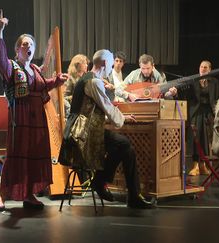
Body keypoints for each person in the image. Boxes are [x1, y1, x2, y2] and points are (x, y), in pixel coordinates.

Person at [0, 10, 69, 210]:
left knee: (34, 155)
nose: (29, 47)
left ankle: (28, 194)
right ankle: (2, 195)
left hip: (37, 120)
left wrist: (56, 81)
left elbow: (42, 86)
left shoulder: (34, 70)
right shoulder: (12, 66)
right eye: (25, 44)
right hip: (20, 117)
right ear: (17, 49)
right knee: (15, 154)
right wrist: (0, 30)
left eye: (31, 45)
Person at [60, 49, 153, 209]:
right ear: (104, 63)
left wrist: (123, 118)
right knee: (124, 145)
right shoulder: (94, 82)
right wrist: (122, 119)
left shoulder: (89, 79)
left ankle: (125, 192)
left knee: (126, 147)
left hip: (83, 130)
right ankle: (105, 183)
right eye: (111, 62)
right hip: (83, 135)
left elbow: (91, 112)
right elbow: (107, 107)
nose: (112, 66)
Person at [181, 60, 219, 176]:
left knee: (205, 139)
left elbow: (215, 98)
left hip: (208, 112)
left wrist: (215, 113)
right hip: (196, 112)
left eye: (205, 67)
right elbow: (187, 97)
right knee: (195, 137)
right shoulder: (193, 81)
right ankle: (195, 165)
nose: (203, 69)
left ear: (210, 69)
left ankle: (203, 165)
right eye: (201, 67)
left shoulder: (214, 82)